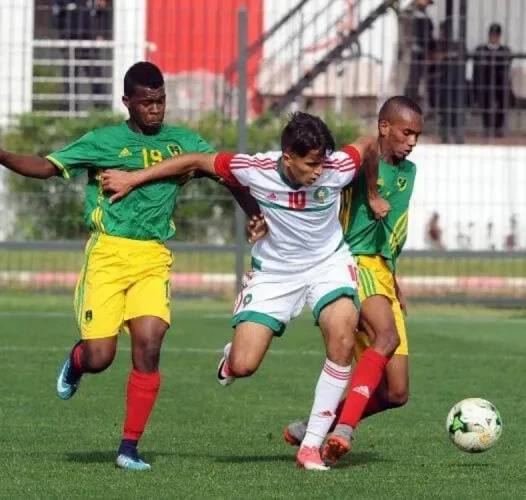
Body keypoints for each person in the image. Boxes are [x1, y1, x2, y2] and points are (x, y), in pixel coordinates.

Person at [0, 61, 261, 472]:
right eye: (147, 103)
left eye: (161, 101)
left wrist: (253, 212)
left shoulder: (182, 143)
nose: (156, 110)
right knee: (101, 356)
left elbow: (227, 175)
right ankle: (78, 362)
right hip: (108, 255)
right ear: (127, 102)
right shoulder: (103, 141)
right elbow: (47, 166)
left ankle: (129, 447)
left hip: (152, 257)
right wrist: (2, 156)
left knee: (149, 344)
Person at [100, 111, 389, 471]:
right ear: (288, 158)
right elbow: (196, 160)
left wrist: (373, 193)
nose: (319, 172)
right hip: (275, 273)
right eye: (311, 164)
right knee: (244, 364)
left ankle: (310, 446)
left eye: (322, 162)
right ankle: (230, 360)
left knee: (344, 334)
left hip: (327, 264)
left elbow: (369, 144)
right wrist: (133, 178)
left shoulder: (337, 167)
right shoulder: (255, 168)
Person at [248, 96, 423, 463]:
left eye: (417, 135)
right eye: (406, 133)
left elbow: (391, 231)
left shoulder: (410, 172)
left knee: (397, 393)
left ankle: (319, 427)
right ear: (384, 127)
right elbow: (318, 192)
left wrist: (393, 275)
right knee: (386, 337)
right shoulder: (352, 169)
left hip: (381, 271)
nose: (412, 142)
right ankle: (342, 431)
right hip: (352, 265)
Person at [473, 23, 512, 136]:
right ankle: (487, 126)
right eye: (492, 35)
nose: (494, 37)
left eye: (496, 35)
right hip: (484, 83)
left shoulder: (505, 50)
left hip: (500, 83)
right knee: (485, 94)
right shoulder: (480, 50)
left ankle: (499, 126)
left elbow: (506, 68)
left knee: (503, 96)